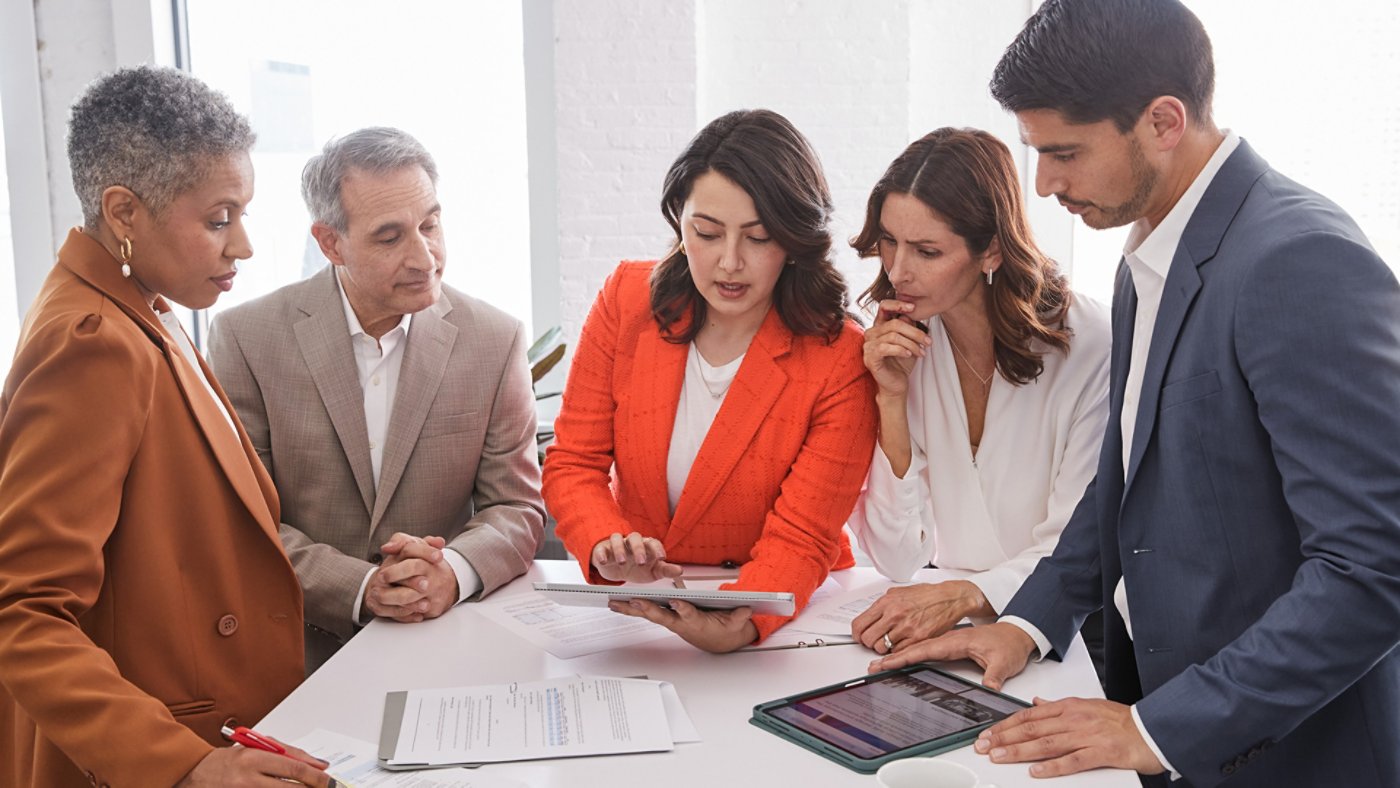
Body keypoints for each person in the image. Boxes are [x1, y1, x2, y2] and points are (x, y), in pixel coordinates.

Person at [871, 1, 1400, 785]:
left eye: (1065, 153)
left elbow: (1372, 568)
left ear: (1162, 121)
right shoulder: (1142, 255)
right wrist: (1024, 620)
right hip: (1168, 725)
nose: (1044, 184)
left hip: (1292, 755)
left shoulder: (1299, 258)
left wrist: (1160, 728)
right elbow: (1122, 487)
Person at [0, 66, 332, 787]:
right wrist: (182, 767)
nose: (241, 245)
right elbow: (23, 613)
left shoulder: (147, 307)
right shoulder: (90, 339)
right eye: (218, 219)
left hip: (221, 725)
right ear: (124, 213)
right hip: (158, 751)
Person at [209, 127, 544, 671]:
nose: (424, 257)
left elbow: (517, 507)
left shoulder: (495, 338)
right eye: (390, 238)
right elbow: (240, 520)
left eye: (430, 225)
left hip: (448, 650)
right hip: (294, 654)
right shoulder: (246, 338)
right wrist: (359, 586)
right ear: (329, 243)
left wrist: (451, 572)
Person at [542, 109, 877, 653]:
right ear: (680, 222)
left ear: (794, 240)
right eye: (706, 233)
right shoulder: (627, 300)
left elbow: (804, 535)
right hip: (638, 607)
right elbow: (574, 463)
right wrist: (607, 542)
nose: (729, 263)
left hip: (778, 611)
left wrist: (744, 622)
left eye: (758, 237)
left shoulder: (838, 356)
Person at [844, 128, 1109, 656]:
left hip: (1066, 632)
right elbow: (898, 559)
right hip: (943, 619)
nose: (898, 271)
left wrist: (964, 596)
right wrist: (890, 400)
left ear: (990, 250)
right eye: (889, 241)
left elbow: (1077, 546)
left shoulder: (1089, 345)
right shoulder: (901, 346)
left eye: (927, 250)